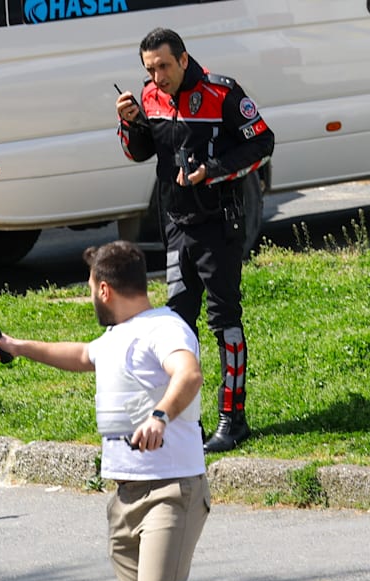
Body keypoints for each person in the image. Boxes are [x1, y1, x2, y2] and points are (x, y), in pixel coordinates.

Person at [0, 241, 250, 581]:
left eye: (91, 287)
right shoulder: (115, 338)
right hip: (124, 496)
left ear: (104, 289)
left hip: (171, 489)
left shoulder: (165, 328)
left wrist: (160, 415)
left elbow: (189, 374)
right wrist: (18, 347)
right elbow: (81, 355)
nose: (91, 296)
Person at [115, 27, 274, 452]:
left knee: (224, 321)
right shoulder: (150, 96)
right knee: (176, 326)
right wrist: (129, 123)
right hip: (175, 228)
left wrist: (213, 170)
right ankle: (186, 422)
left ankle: (232, 419)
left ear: (184, 59)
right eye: (150, 69)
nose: (158, 76)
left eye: (164, 66)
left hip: (219, 225)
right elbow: (139, 152)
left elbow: (263, 142)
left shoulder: (222, 92)